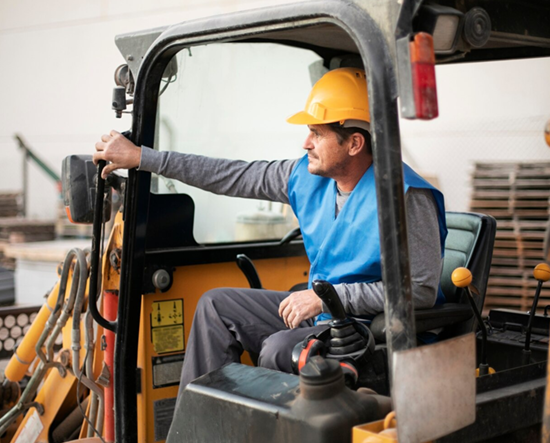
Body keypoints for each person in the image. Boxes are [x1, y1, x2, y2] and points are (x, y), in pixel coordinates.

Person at [93, 68, 447, 395]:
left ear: (354, 143)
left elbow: (419, 291)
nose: (306, 143)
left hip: (369, 329)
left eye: (317, 134)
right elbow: (229, 175)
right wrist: (143, 158)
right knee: (217, 306)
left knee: (278, 348)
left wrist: (328, 297)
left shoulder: (407, 198)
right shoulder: (305, 178)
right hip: (325, 313)